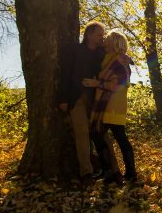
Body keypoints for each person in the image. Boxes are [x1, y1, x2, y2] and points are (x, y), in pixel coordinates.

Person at [58, 21, 121, 186]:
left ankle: (115, 171)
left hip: (97, 100)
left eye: (103, 34)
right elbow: (65, 74)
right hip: (75, 98)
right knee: (82, 133)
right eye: (99, 34)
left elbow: (118, 58)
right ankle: (86, 173)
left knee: (102, 134)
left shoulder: (102, 53)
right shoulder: (75, 50)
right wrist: (62, 99)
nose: (102, 37)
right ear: (89, 35)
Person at [82, 30, 137, 183]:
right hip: (106, 105)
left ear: (114, 43)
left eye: (107, 40)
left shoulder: (121, 61)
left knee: (115, 137)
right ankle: (113, 172)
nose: (104, 42)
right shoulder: (108, 58)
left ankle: (128, 173)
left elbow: (118, 85)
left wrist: (96, 83)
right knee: (102, 135)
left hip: (114, 106)